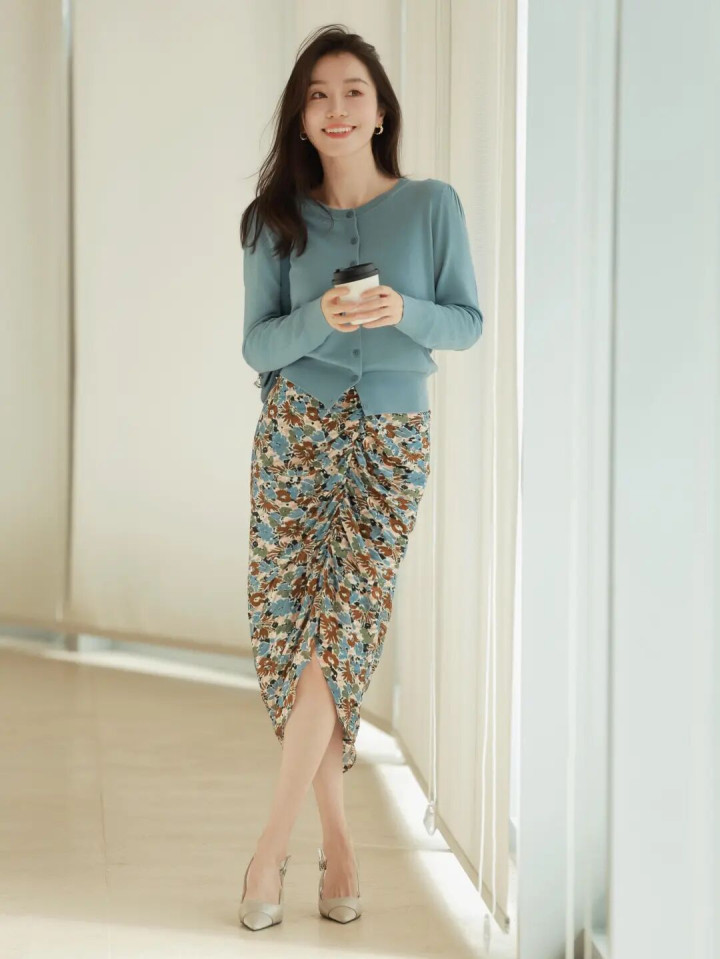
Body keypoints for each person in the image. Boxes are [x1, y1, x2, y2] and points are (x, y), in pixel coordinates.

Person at [237, 24, 482, 931]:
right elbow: (258, 343)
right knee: (289, 638)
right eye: (318, 95)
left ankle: (269, 849)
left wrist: (401, 308)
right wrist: (322, 318)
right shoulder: (273, 220)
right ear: (301, 118)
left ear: (381, 111)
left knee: (343, 625)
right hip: (295, 438)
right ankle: (339, 844)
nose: (336, 109)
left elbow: (466, 322)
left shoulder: (431, 205)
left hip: (391, 441)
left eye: (353, 92)